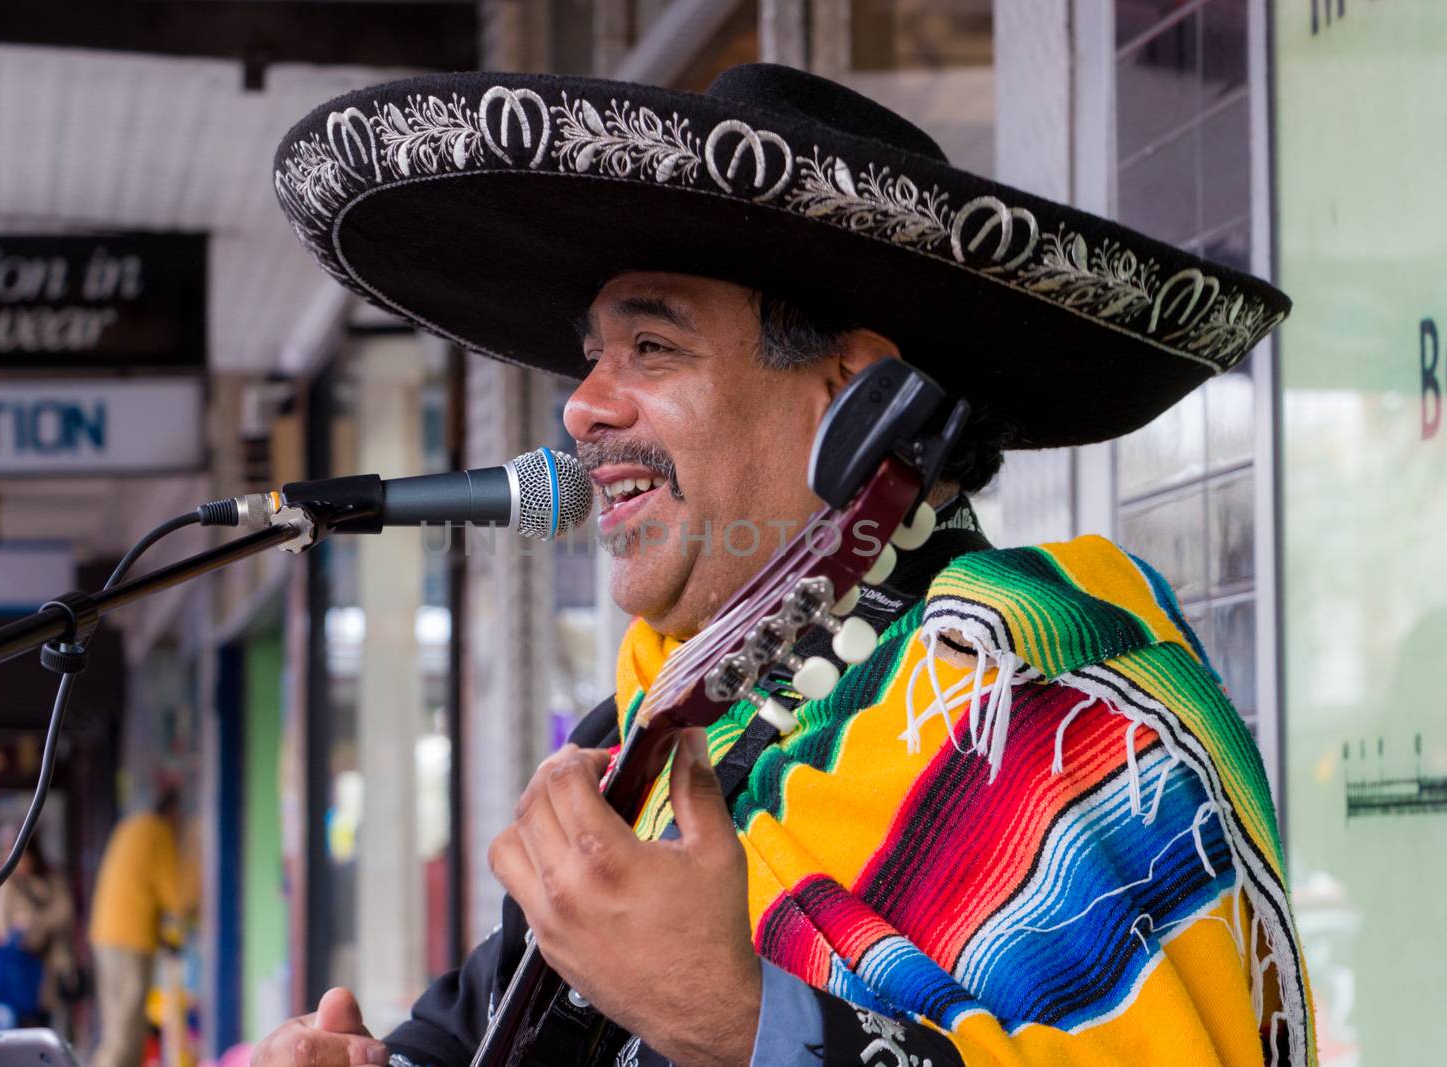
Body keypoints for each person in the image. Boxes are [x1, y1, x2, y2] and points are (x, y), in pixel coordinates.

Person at [256, 65, 1313, 1066]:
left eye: (652, 348)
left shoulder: (1048, 704)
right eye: (592, 355)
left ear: (851, 390)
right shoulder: (634, 750)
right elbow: (485, 1026)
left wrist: (738, 1019)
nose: (582, 406)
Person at [87, 788, 196, 1067]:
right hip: (130, 940)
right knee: (127, 1032)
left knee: (117, 1026)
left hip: (106, 934)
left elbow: (139, 887)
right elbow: (175, 896)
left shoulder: (132, 826)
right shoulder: (159, 832)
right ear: (173, 814)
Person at [0, 836, 76, 1030]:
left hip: (47, 965)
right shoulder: (6, 882)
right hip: (16, 965)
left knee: (44, 1022)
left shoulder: (52, 880)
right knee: (15, 1027)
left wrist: (34, 922)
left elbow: (64, 913)